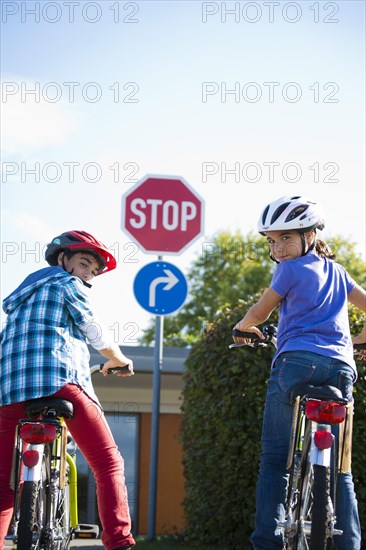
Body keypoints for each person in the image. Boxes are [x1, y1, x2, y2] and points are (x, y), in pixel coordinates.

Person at [232, 196, 366, 550]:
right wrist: (359, 341)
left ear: (310, 235)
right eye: (272, 241)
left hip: (294, 364)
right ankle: (349, 544)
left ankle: (267, 543)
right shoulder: (339, 273)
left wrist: (243, 327)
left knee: (275, 459)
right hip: (341, 370)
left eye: (286, 238)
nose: (279, 248)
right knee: (342, 469)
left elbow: (261, 313)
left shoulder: (289, 271)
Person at [0, 230, 136, 550]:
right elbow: (94, 330)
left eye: (93, 270)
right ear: (62, 259)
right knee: (108, 463)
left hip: (9, 392)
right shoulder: (65, 284)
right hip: (60, 382)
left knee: (4, 484)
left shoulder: (19, 303)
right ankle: (120, 541)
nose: (88, 274)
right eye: (84, 263)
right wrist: (118, 359)